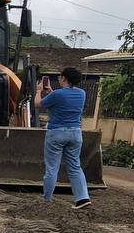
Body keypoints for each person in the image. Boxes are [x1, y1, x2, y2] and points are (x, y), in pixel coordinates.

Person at [34, 67, 92, 210]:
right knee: (75, 166)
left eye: (60, 77)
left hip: (56, 133)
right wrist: (51, 92)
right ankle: (82, 198)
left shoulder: (58, 94)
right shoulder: (82, 94)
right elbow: (64, 99)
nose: (59, 79)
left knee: (52, 168)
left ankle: (47, 200)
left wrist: (38, 91)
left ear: (64, 78)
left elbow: (37, 104)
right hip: (75, 133)